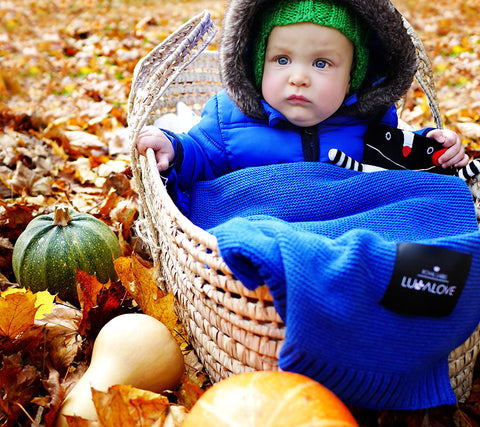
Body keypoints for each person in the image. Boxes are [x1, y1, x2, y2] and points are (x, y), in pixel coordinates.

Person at [136, 0, 468, 194]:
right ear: (258, 64)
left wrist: (434, 148)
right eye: (282, 60)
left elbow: (397, 165)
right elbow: (201, 157)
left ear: (352, 78)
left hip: (347, 226)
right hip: (258, 222)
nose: (298, 77)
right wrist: (175, 148)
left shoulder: (368, 123)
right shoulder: (229, 118)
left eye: (321, 63)